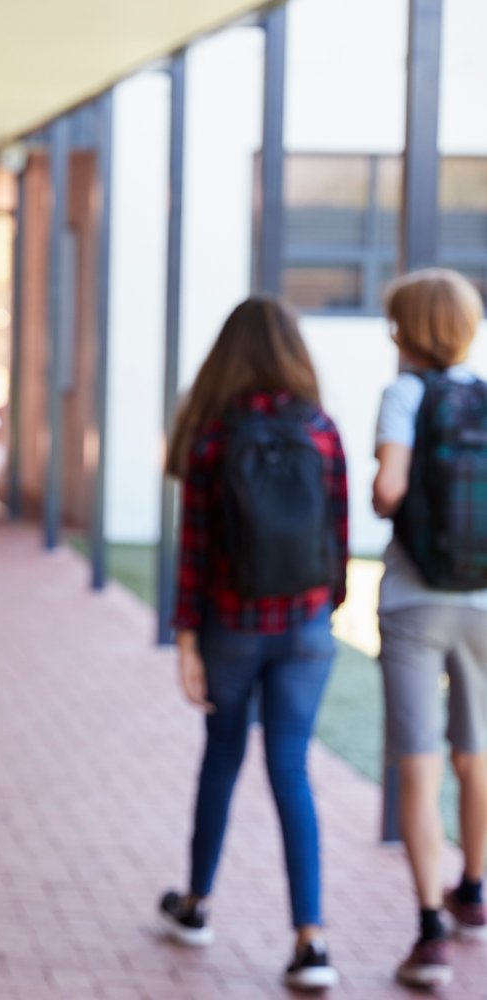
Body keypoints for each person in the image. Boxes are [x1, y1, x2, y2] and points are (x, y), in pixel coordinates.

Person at [157, 296, 348, 991]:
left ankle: (198, 905)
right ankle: (312, 941)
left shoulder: (212, 436)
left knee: (223, 759)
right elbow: (339, 538)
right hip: (304, 629)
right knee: (290, 770)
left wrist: (186, 640)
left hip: (231, 627)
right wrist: (321, 617)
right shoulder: (322, 429)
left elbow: (196, 552)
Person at [371, 268, 487, 988]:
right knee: (475, 754)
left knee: (416, 759)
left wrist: (387, 501)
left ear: (407, 330)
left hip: (415, 601)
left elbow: (390, 488)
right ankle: (475, 890)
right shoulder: (483, 395)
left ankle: (428, 930)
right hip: (482, 600)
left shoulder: (404, 395)